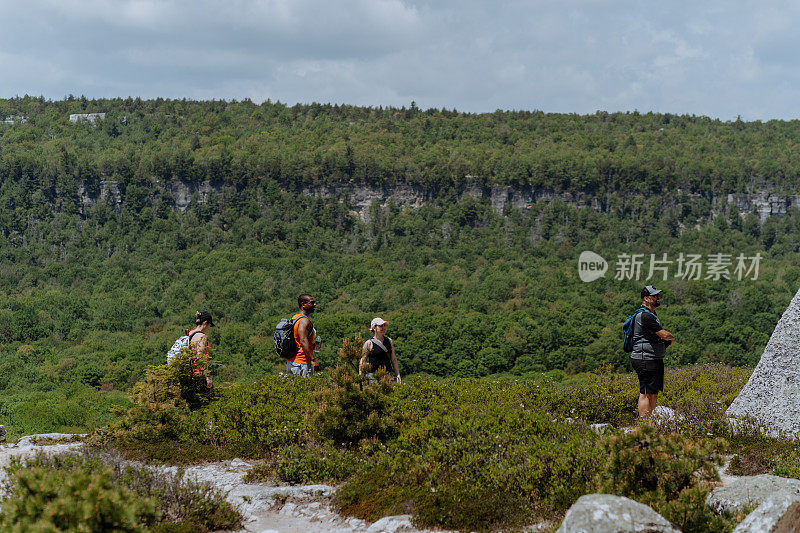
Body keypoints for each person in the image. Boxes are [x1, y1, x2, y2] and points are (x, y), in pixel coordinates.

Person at [630, 286, 675, 418]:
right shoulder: (645, 316)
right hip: (644, 358)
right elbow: (664, 335)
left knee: (653, 392)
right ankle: (644, 424)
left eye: (658, 296)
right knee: (645, 392)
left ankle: (651, 421)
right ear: (646, 298)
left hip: (652, 358)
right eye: (655, 296)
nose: (658, 298)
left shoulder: (651, 314)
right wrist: (671, 337)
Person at [286, 294, 321, 377]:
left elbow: (297, 340)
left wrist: (312, 346)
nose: (314, 304)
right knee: (306, 389)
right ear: (303, 305)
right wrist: (313, 360)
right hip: (302, 363)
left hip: (292, 362)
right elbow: (303, 340)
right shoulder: (304, 321)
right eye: (312, 302)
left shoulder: (295, 318)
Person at [360, 317, 401, 383]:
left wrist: (398, 375)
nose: (383, 328)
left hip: (387, 375)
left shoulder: (389, 341)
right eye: (381, 326)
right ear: (374, 328)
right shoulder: (369, 343)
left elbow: (393, 359)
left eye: (384, 326)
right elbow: (363, 360)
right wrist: (360, 376)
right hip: (373, 377)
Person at [188, 311, 214, 388]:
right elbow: (200, 358)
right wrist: (207, 377)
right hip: (198, 375)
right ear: (205, 323)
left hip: (188, 372)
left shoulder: (190, 333)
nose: (209, 328)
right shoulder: (202, 337)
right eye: (209, 325)